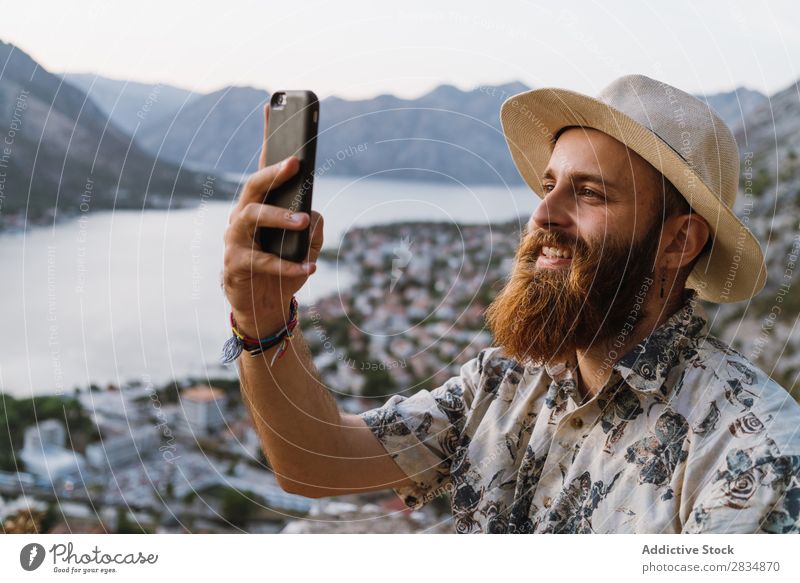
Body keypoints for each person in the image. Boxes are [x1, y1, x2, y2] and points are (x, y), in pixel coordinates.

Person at [221, 74, 800, 533]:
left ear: (678, 242)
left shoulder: (754, 452)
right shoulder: (504, 384)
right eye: (548, 186)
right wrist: (261, 316)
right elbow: (312, 461)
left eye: (590, 192)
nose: (543, 215)